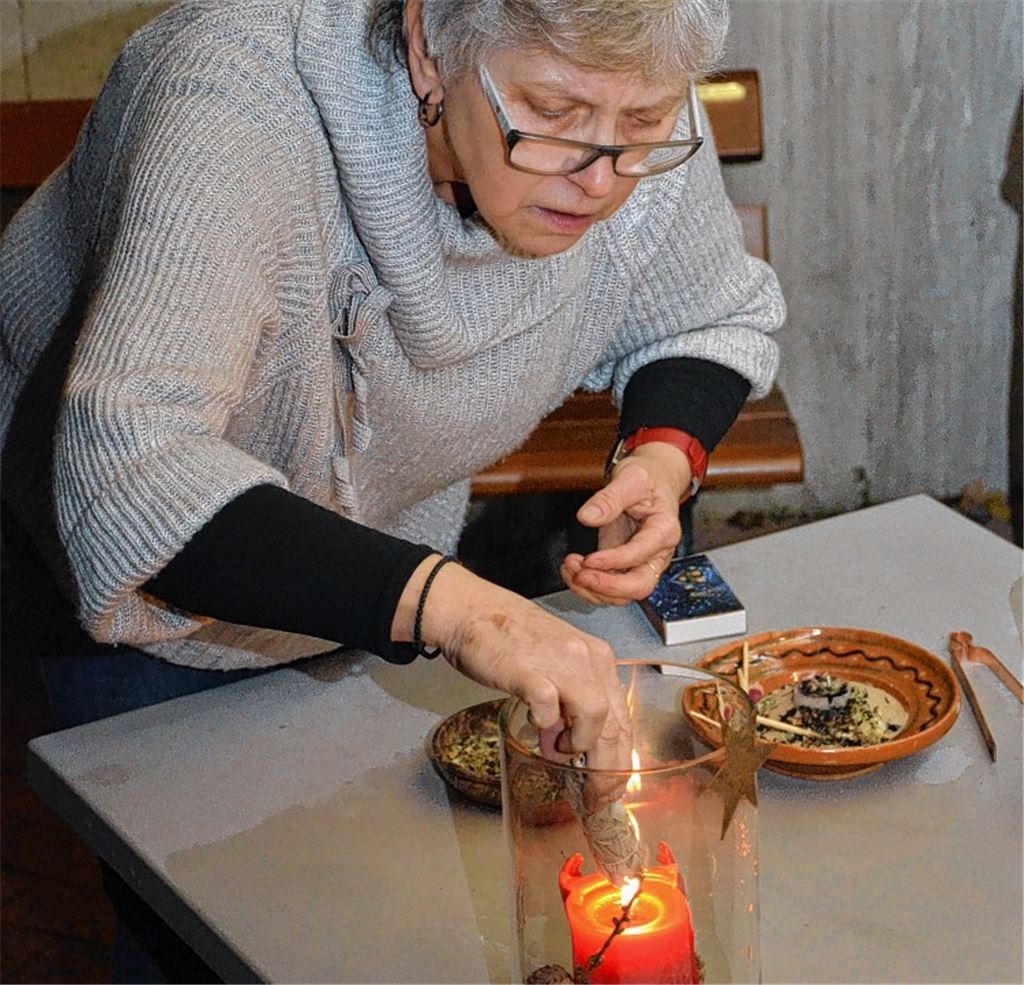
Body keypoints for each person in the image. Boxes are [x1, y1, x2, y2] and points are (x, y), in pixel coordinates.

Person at [0, 0, 784, 978]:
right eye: (552, 115)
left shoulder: (619, 86)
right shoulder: (232, 97)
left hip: (375, 543)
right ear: (425, 44)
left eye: (645, 126)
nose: (601, 178)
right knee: (194, 920)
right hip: (144, 577)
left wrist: (660, 457)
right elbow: (133, 473)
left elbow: (702, 311)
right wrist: (465, 613)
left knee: (351, 895)